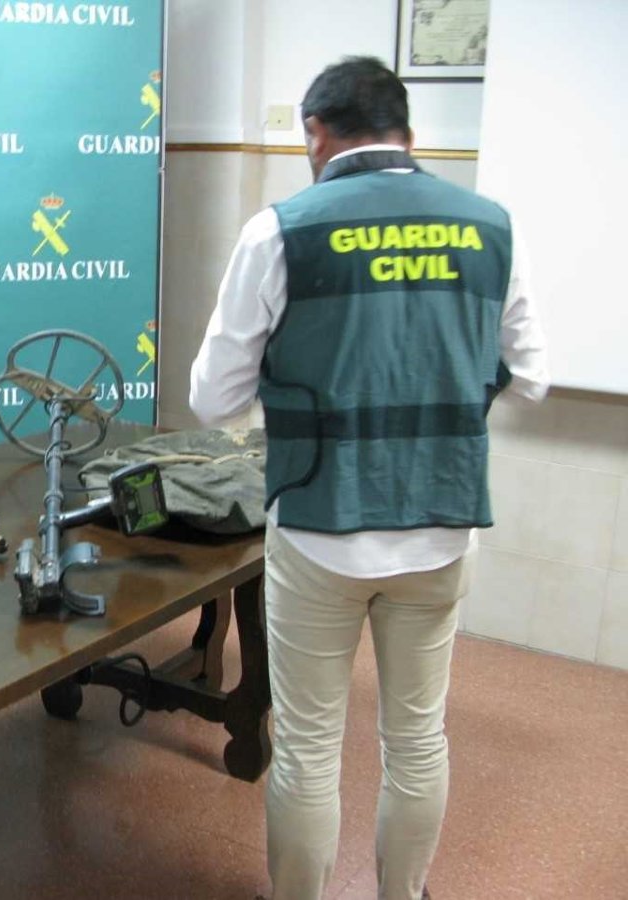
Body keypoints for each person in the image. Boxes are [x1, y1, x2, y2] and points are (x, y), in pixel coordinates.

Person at [188, 56, 548, 900]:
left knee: (309, 748)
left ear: (316, 134)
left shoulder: (280, 230)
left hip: (320, 528)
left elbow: (212, 400)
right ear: (408, 133)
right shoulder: (492, 226)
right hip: (440, 524)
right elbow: (532, 374)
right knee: (417, 740)